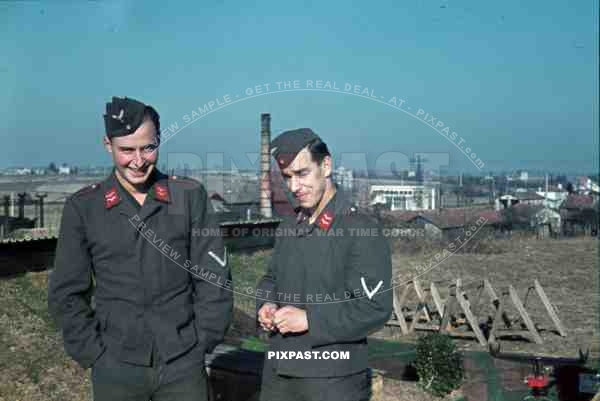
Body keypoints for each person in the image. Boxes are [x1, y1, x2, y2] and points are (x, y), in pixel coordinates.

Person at [48, 96, 233, 401]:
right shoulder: (84, 208)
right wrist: (94, 354)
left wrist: (201, 342)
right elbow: (67, 292)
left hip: (183, 366)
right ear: (108, 145)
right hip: (116, 369)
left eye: (148, 148)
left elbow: (214, 278)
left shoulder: (188, 197)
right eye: (127, 150)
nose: (138, 161)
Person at [256, 128, 393, 401]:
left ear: (326, 166)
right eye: (287, 177)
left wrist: (309, 319)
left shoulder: (359, 228)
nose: (294, 187)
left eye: (302, 173)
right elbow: (272, 278)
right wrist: (266, 304)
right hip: (278, 374)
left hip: (332, 381)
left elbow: (374, 307)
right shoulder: (289, 225)